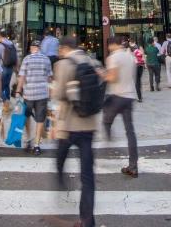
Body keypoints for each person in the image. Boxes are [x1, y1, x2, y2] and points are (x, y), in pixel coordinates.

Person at [53, 36, 99, 227]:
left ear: (64, 48)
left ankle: (60, 177)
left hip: (69, 125)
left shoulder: (63, 65)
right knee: (87, 176)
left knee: (60, 156)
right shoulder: (92, 61)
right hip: (88, 125)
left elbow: (58, 94)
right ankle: (87, 220)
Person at [103, 36, 139, 177]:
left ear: (112, 45)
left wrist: (102, 75)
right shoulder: (129, 56)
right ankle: (133, 166)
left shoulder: (113, 57)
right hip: (130, 96)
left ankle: (108, 144)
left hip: (117, 96)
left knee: (106, 121)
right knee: (130, 132)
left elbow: (113, 78)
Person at [17, 39, 53, 155]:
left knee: (26, 116)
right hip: (42, 94)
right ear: (40, 48)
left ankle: (28, 139)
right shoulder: (46, 59)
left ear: (31, 48)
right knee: (40, 119)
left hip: (29, 94)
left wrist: (18, 90)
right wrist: (50, 93)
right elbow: (49, 78)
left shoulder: (27, 59)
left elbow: (22, 77)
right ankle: (36, 145)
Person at [0, 29, 18, 101]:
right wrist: (16, 69)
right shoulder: (12, 44)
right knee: (7, 85)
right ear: (6, 36)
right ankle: (7, 100)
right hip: (11, 68)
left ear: (0, 36)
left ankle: (5, 101)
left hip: (2, 68)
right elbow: (16, 57)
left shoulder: (0, 45)